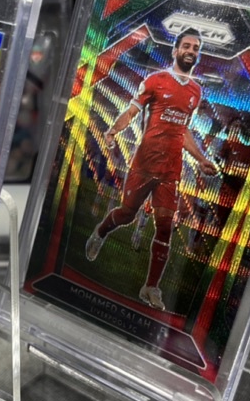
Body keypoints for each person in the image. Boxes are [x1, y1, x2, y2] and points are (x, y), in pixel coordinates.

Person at [85, 28, 218, 310]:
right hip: (145, 165)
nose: (191, 51)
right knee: (127, 214)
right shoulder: (156, 80)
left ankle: (151, 288)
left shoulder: (195, 91)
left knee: (165, 227)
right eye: (186, 46)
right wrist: (113, 131)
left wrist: (201, 158)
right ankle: (101, 232)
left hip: (170, 171)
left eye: (196, 48)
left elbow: (183, 131)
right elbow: (132, 111)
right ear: (175, 50)